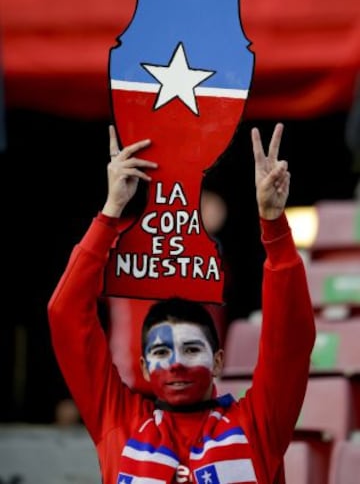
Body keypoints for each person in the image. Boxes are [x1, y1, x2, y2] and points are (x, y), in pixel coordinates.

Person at [48, 122, 315, 484]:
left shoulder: (259, 423)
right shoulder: (118, 421)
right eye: (160, 353)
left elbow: (290, 340)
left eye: (191, 349)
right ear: (142, 367)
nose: (175, 364)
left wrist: (274, 224)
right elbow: (65, 315)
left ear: (219, 360)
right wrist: (110, 213)